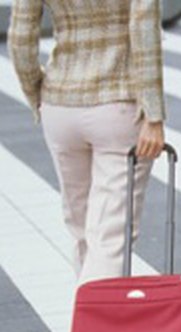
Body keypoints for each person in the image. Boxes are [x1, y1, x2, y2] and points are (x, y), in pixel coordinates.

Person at [8, 0, 166, 284]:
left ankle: (91, 316)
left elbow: (20, 37)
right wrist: (153, 116)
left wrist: (36, 92)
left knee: (80, 228)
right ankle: (94, 325)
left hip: (60, 104)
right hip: (118, 103)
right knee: (110, 237)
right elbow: (144, 30)